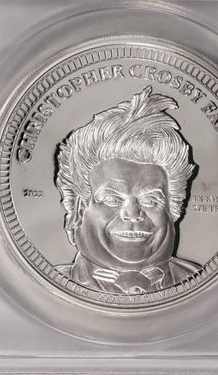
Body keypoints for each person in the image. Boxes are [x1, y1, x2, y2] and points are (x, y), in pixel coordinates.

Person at [55, 86, 200, 294]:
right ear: (79, 210)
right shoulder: (44, 288)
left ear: (173, 210)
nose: (133, 214)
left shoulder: (206, 283)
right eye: (112, 199)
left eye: (150, 200)